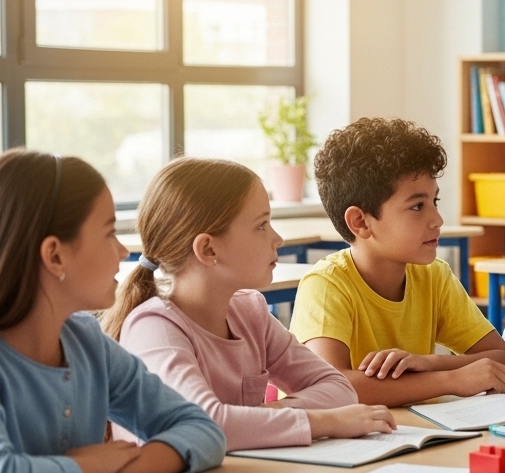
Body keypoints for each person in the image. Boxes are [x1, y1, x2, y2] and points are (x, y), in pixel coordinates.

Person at [0, 151, 225, 473]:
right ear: (55, 256)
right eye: (109, 232)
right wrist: (85, 468)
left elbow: (204, 432)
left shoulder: (86, 341)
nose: (123, 251)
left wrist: (107, 468)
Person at [102, 158, 395, 451]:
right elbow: (202, 426)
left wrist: (255, 419)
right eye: (261, 225)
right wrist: (323, 421)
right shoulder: (153, 328)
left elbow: (340, 389)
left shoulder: (250, 312)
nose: (277, 238)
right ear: (208, 248)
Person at [289, 118, 505, 407]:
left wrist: (428, 363)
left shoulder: (434, 277)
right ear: (360, 222)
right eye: (416, 206)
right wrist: (453, 380)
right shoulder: (327, 285)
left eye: (434, 202)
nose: (437, 220)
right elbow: (331, 386)